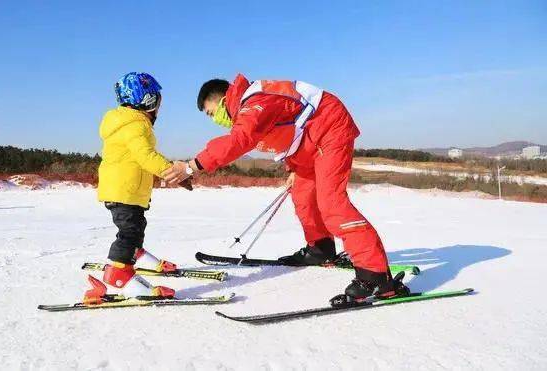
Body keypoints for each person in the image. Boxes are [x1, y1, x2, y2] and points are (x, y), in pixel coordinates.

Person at [162, 74, 408, 303]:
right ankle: (320, 249)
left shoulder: (254, 102)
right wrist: (294, 168)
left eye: (211, 113)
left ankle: (376, 277)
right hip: (309, 144)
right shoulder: (249, 109)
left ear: (224, 99)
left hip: (329, 129)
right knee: (302, 196)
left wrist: (192, 166)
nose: (215, 120)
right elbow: (290, 133)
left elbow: (239, 140)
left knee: (332, 204)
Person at [86, 72, 184, 303]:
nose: (159, 109)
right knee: (130, 231)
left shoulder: (124, 123)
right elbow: (146, 156)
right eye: (158, 102)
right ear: (148, 101)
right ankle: (120, 274)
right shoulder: (136, 126)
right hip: (125, 190)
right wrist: (172, 172)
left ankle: (135, 253)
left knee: (134, 227)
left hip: (122, 189)